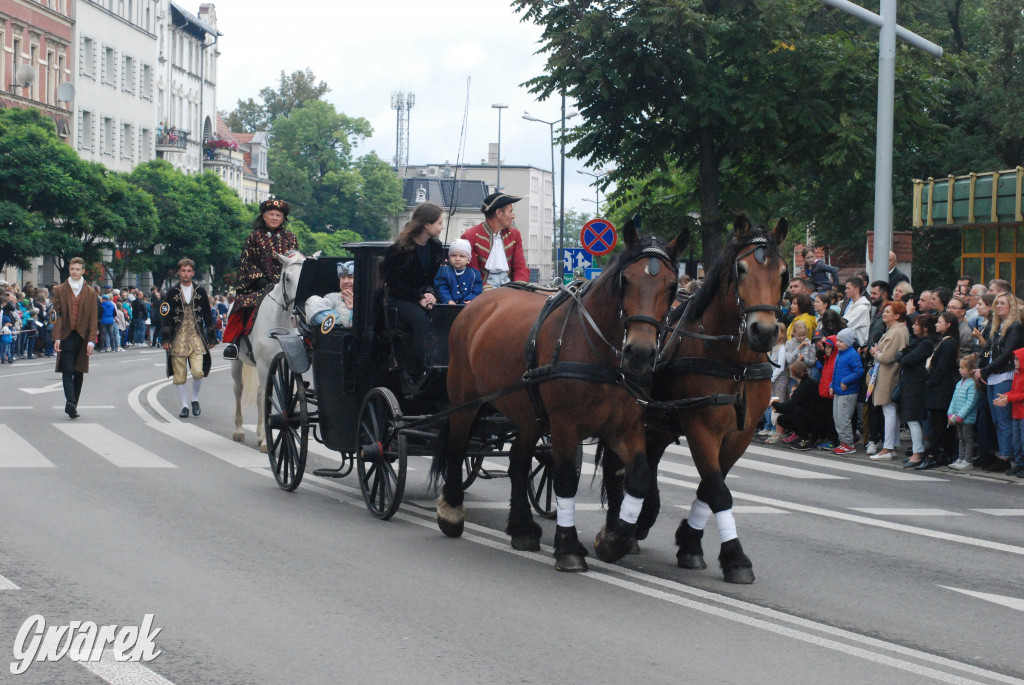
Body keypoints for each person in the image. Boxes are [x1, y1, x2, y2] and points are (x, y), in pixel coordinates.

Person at [222, 198, 299, 360]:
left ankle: (305, 339)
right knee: (245, 304)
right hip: (258, 286)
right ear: (264, 216)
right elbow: (247, 261)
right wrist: (259, 279)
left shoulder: (291, 238)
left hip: (285, 285)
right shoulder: (254, 237)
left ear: (283, 218)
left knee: (301, 306)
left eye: (278, 215)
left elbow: (295, 261)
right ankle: (235, 343)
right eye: (271, 214)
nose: (275, 218)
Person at [382, 201, 446, 372]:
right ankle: (424, 367)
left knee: (445, 316)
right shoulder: (400, 249)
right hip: (401, 298)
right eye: (439, 223)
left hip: (424, 296)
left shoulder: (435, 247)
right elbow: (394, 285)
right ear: (427, 224)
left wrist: (429, 293)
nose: (442, 227)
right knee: (421, 320)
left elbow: (432, 278)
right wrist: (418, 298)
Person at [159, 258, 217, 419]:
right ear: (179, 272)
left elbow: (207, 314)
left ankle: (195, 399)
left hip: (197, 337)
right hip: (178, 338)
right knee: (180, 374)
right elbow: (165, 315)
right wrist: (165, 339)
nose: (186, 274)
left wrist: (211, 337)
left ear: (193, 272)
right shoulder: (171, 292)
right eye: (183, 271)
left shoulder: (200, 291)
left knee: (199, 371)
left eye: (188, 271)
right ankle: (184, 405)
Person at [975, 291, 1024, 472]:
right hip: (992, 376)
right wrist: (981, 366)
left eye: (1002, 303)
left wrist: (985, 370)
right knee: (996, 419)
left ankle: (1007, 457)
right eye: (997, 303)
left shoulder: (1015, 327)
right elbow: (988, 349)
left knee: (1003, 419)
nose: (998, 306)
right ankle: (1003, 453)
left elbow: (1006, 354)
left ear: (1011, 306)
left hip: (1004, 375)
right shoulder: (996, 326)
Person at [51, 257, 99, 419]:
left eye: (78, 269)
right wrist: (57, 337)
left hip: (83, 336)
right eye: (72, 269)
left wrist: (92, 340)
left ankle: (74, 404)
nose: (74, 272)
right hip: (65, 335)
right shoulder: (59, 290)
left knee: (79, 372)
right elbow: (56, 315)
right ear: (69, 270)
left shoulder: (90, 292)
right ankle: (70, 401)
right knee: (67, 369)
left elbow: (93, 317)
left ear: (83, 271)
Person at [918, 311, 961, 469]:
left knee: (938, 423)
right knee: (939, 422)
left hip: (941, 389)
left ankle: (934, 454)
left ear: (948, 324)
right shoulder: (944, 341)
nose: (936, 324)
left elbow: (942, 368)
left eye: (940, 322)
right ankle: (944, 453)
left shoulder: (949, 343)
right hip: (939, 387)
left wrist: (930, 382)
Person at [868, 300, 909, 460]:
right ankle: (891, 446)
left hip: (889, 374)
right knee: (891, 411)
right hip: (887, 374)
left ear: (897, 315)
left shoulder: (897, 331)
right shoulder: (895, 329)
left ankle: (887, 447)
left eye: (888, 312)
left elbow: (888, 357)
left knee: (889, 410)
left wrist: (875, 353)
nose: (884, 314)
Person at [461, 192, 529, 288]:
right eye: (510, 212)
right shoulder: (470, 236)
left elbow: (520, 267)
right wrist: (484, 287)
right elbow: (472, 272)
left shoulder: (514, 235)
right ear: (499, 213)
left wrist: (519, 285)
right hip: (484, 286)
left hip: (509, 284)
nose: (513, 216)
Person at [898, 315, 936, 468]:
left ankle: (917, 453)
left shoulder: (926, 344)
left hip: (916, 384)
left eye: (916, 324)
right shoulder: (918, 343)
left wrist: (903, 355)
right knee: (911, 419)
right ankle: (917, 450)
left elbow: (906, 359)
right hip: (910, 383)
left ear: (925, 328)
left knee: (913, 419)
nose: (913, 327)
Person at [830, 327, 864, 455]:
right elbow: (835, 372)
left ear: (849, 342)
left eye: (842, 341)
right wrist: (831, 385)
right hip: (839, 391)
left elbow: (859, 371)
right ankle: (843, 442)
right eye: (838, 340)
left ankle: (848, 444)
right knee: (837, 417)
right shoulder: (840, 354)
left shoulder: (852, 354)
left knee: (844, 418)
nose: (838, 343)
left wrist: (846, 381)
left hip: (848, 392)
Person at [992, 348, 1024, 477]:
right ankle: (1020, 464)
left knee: (1022, 440)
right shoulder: (1016, 374)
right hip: (1016, 412)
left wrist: (1009, 398)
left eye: (1017, 359)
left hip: (1021, 413)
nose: (1014, 361)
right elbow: (1015, 392)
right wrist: (1005, 396)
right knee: (1017, 441)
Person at [947, 354, 980, 470]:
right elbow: (954, 400)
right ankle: (960, 458)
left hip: (966, 418)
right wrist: (950, 414)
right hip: (957, 417)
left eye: (962, 367)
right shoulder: (959, 383)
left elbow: (970, 402)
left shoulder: (972, 384)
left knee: (967, 438)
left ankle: (968, 460)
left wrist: (960, 415)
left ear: (971, 370)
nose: (959, 370)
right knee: (960, 438)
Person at [304, 261, 356, 328]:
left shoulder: (370, 302)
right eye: (342, 277)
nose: (345, 281)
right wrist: (342, 318)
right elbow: (314, 311)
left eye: (350, 277)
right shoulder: (333, 298)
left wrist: (356, 309)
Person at [434, 238, 483, 305]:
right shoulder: (444, 271)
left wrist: (470, 299)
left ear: (468, 260)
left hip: (467, 306)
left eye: (462, 256)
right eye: (453, 255)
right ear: (449, 258)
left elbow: (477, 289)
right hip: (448, 306)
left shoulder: (474, 274)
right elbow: (441, 288)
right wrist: (448, 300)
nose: (457, 259)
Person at [841, 277, 871, 347]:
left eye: (848, 288)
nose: (845, 291)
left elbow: (845, 325)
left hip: (857, 347)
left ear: (857, 289)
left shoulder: (862, 308)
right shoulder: (852, 304)